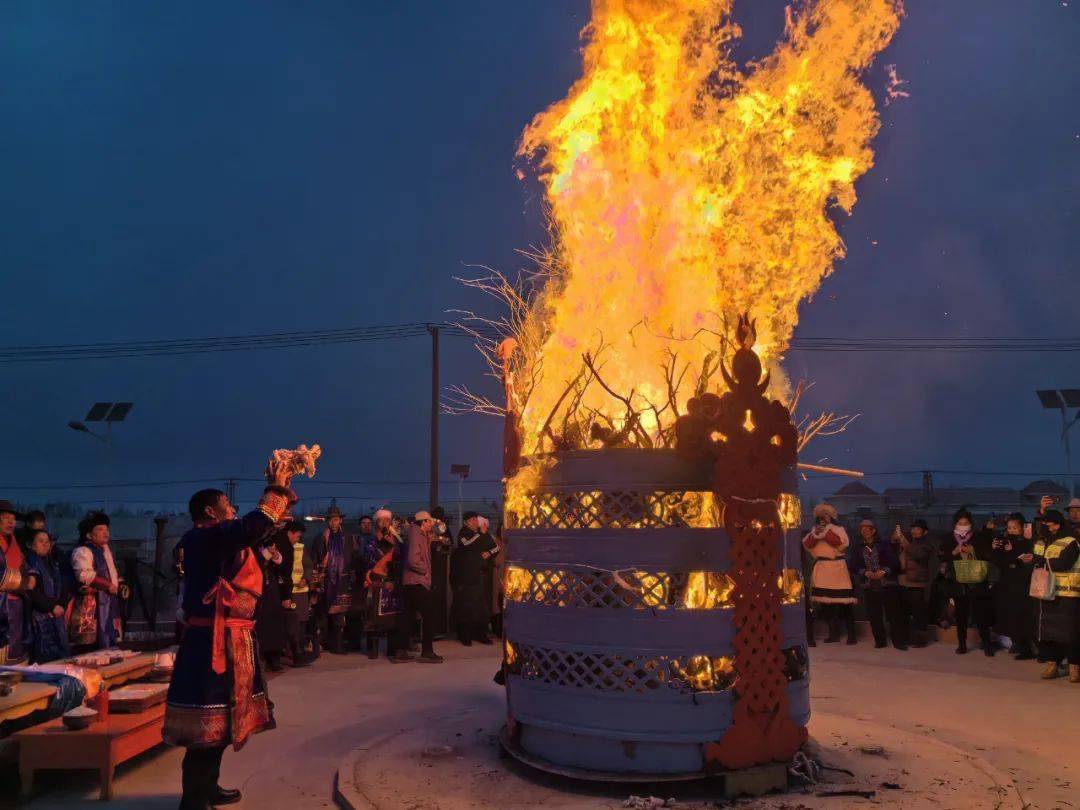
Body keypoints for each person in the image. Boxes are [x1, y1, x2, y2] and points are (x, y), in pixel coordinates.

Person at [163, 461, 297, 810]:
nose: (233, 510)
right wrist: (275, 489)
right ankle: (192, 801)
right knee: (204, 730)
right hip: (210, 644)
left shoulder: (223, 541)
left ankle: (209, 787)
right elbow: (252, 527)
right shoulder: (202, 537)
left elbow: (260, 530)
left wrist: (284, 490)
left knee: (222, 723)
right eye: (228, 505)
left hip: (232, 640)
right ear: (210, 510)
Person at [1032, 509, 1080, 682]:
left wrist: (1043, 562)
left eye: (1049, 524)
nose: (1046, 527)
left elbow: (1064, 563)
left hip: (1068, 593)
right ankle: (1052, 664)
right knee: (1048, 631)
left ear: (1057, 524)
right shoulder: (1044, 541)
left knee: (1071, 632)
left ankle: (1075, 666)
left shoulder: (1071, 541)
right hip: (1046, 592)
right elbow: (1036, 558)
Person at [939, 508, 995, 656]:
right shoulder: (948, 538)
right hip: (957, 581)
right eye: (960, 523)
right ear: (955, 524)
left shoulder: (978, 537)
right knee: (961, 615)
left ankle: (987, 644)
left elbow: (988, 555)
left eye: (966, 523)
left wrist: (972, 551)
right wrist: (954, 552)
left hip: (976, 581)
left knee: (981, 614)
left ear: (971, 524)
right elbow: (942, 556)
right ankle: (962, 644)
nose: (963, 526)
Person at [801, 503, 857, 645]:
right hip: (822, 569)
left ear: (831, 517)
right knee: (826, 605)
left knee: (845, 604)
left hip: (837, 569)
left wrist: (826, 533)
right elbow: (807, 544)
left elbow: (841, 544)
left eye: (826, 515)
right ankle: (834, 634)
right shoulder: (815, 531)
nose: (823, 518)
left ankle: (852, 635)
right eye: (820, 516)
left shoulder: (839, 529)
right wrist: (817, 534)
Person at [70, 511, 123, 651]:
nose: (106, 532)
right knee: (90, 648)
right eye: (100, 529)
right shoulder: (83, 551)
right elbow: (84, 575)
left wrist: (117, 583)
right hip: (90, 608)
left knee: (109, 642)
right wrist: (108, 585)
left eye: (107, 529)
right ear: (88, 535)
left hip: (107, 603)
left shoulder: (105, 551)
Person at [396, 511, 445, 664]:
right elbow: (412, 560)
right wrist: (425, 570)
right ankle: (427, 651)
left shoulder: (419, 534)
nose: (432, 524)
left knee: (408, 616)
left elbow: (440, 530)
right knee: (430, 615)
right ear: (423, 522)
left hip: (411, 582)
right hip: (417, 582)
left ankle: (401, 651)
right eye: (429, 521)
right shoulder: (417, 535)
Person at [849, 519, 906, 650]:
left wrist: (884, 571)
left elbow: (894, 562)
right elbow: (853, 565)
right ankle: (880, 641)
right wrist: (864, 572)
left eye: (867, 528)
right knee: (874, 615)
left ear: (873, 530)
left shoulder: (884, 544)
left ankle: (899, 642)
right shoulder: (858, 547)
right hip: (869, 585)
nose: (865, 531)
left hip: (887, 584)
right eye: (862, 529)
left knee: (894, 614)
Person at [312, 505, 360, 655]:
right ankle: (327, 642)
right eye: (331, 520)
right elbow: (316, 557)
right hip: (327, 579)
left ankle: (338, 643)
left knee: (340, 612)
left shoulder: (348, 537)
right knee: (326, 612)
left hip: (343, 580)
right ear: (328, 521)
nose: (334, 523)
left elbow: (353, 557)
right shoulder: (322, 537)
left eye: (336, 520)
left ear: (340, 520)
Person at [992, 512, 1036, 659]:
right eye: (1009, 528)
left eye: (1015, 528)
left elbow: (1021, 564)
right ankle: (1016, 643)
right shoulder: (1003, 542)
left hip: (1022, 585)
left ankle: (1026, 648)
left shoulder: (1027, 543)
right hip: (1006, 585)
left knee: (1022, 616)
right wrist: (997, 550)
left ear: (1022, 528)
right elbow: (998, 563)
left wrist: (1012, 555)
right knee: (1009, 615)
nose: (1011, 531)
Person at [451, 512, 498, 646]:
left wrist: (488, 553)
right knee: (466, 607)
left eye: (475, 520)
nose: (475, 522)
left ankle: (481, 634)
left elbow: (495, 548)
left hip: (480, 576)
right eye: (472, 520)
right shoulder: (463, 534)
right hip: (466, 577)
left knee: (481, 608)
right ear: (466, 522)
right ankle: (465, 635)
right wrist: (480, 534)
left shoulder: (483, 535)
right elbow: (467, 545)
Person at [361, 509, 403, 660]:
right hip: (376, 581)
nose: (384, 523)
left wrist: (393, 544)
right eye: (381, 520)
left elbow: (400, 558)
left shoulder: (396, 540)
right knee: (373, 616)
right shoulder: (370, 541)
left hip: (391, 581)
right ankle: (373, 649)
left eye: (387, 520)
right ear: (376, 523)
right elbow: (367, 558)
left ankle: (392, 649)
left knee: (392, 616)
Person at [25, 529, 73, 663]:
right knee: (45, 659)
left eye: (47, 542)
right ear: (30, 544)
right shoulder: (29, 563)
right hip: (40, 618)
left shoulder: (53, 562)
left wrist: (62, 605)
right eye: (41, 541)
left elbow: (64, 586)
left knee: (62, 657)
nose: (46, 545)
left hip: (57, 616)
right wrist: (51, 607)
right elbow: (31, 591)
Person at [255, 524, 293, 672]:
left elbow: (283, 568)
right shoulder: (253, 545)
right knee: (262, 626)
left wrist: (275, 555)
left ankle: (275, 658)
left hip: (272, 590)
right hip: (258, 590)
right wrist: (265, 554)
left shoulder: (277, 541)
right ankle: (262, 657)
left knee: (275, 625)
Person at [892, 519, 934, 647]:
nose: (914, 531)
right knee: (903, 611)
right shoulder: (909, 541)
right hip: (902, 580)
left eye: (918, 529)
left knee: (917, 612)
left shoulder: (926, 544)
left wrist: (904, 543)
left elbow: (918, 555)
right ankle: (905, 638)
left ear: (924, 532)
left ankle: (920, 640)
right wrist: (895, 539)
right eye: (913, 528)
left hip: (916, 582)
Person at [0, 500, 33, 664]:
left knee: (15, 654)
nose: (11, 522)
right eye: (5, 518)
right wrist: (24, 583)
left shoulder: (14, 544)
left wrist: (30, 577)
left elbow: (24, 566)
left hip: (16, 605)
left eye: (12, 519)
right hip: (2, 604)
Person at [283, 520, 313, 667]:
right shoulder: (282, 547)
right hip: (287, 592)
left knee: (300, 624)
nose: (298, 538)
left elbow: (308, 566)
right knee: (289, 625)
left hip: (300, 591)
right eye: (298, 535)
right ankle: (293, 653)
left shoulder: (301, 548)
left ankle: (300, 651)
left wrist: (306, 579)